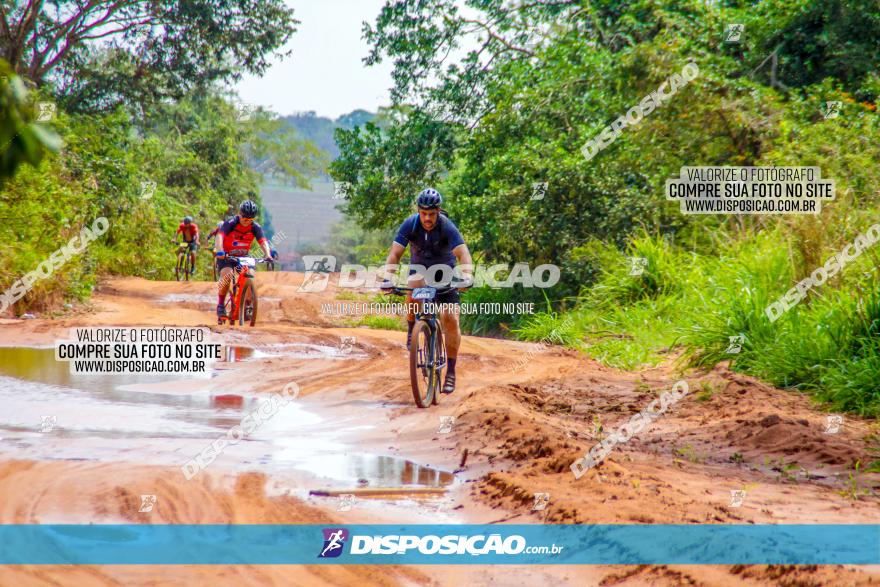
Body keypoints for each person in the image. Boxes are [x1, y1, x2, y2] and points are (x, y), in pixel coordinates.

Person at [380, 188, 473, 394]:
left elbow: (463, 253)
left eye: (431, 214)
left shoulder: (447, 226)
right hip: (420, 271)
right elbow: (395, 254)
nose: (427, 218)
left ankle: (450, 371)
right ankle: (412, 328)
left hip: (444, 273)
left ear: (438, 211)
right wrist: (388, 279)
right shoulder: (410, 224)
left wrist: (467, 276)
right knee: (412, 291)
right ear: (418, 210)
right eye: (424, 213)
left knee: (450, 318)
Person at [214, 201, 273, 320]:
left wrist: (268, 255)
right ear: (239, 214)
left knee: (250, 274)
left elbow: (263, 241)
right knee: (227, 275)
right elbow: (220, 236)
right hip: (226, 256)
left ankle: (247, 304)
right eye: (245, 218)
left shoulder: (255, 227)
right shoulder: (230, 223)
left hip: (243, 256)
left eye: (250, 219)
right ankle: (221, 305)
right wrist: (220, 250)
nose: (247, 221)